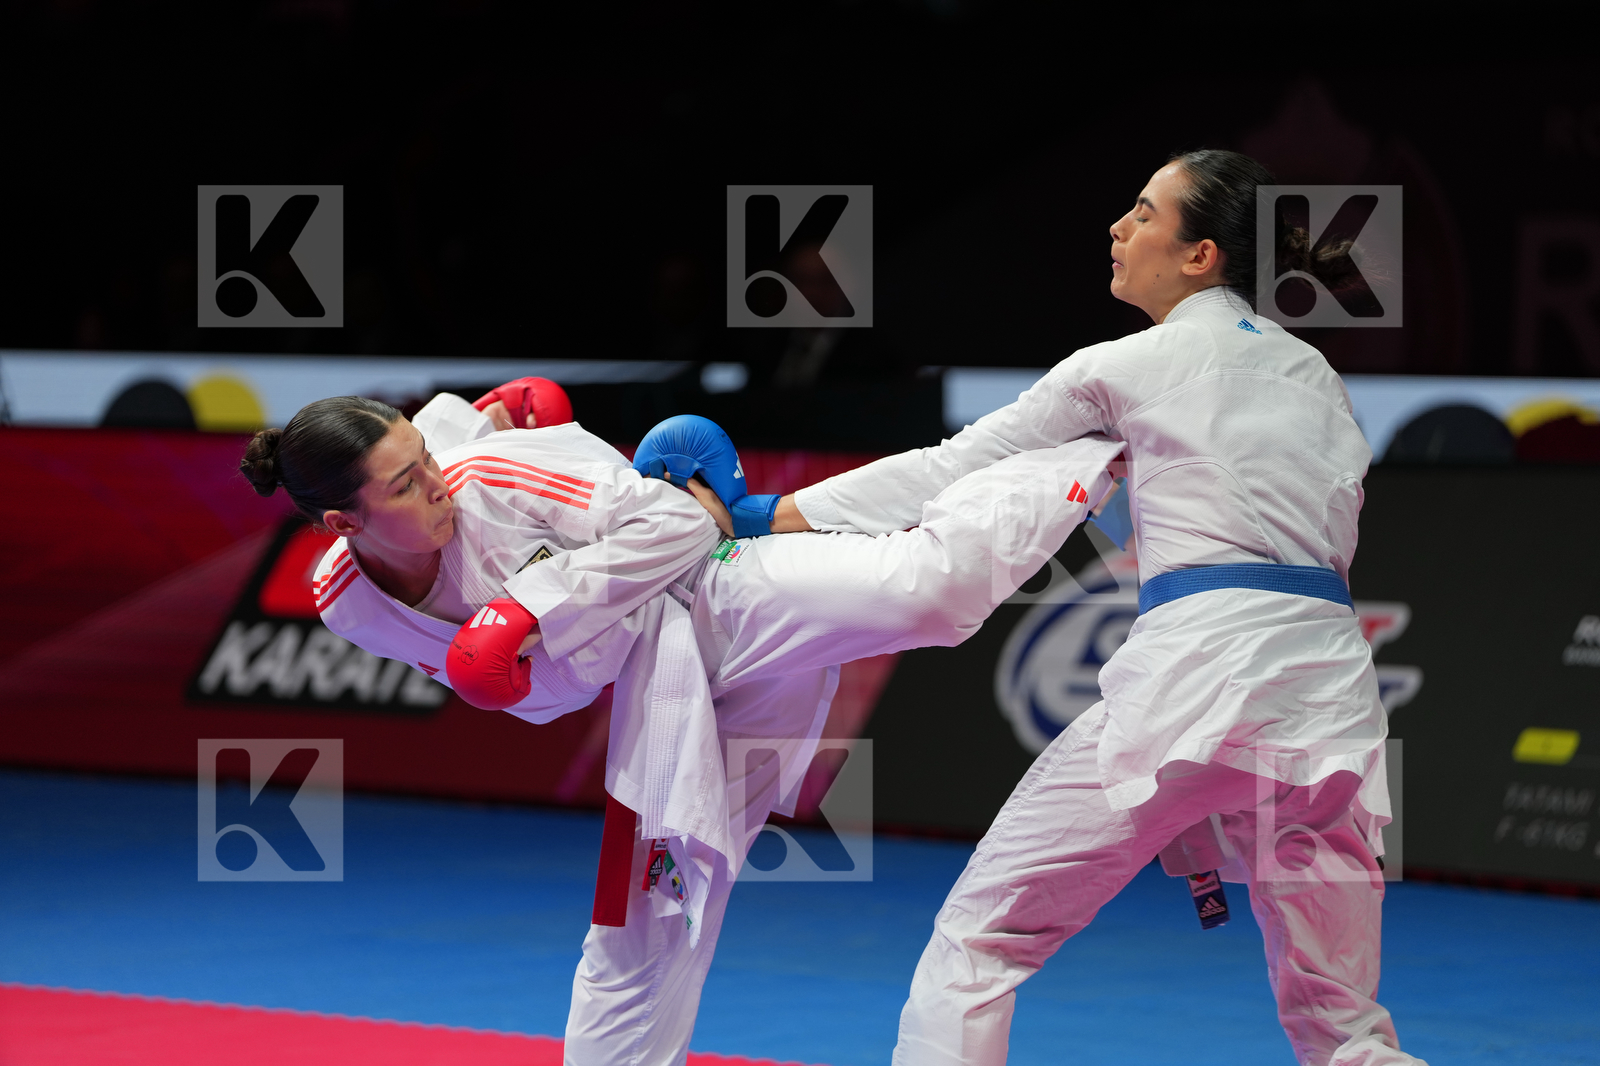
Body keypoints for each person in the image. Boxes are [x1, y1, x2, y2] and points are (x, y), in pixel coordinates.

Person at [238, 381, 1123, 1065]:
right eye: (407, 483)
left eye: (428, 457)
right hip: (662, 700)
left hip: (721, 594)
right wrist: (510, 662)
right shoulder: (347, 601)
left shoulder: (486, 477)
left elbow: (674, 524)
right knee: (646, 923)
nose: (437, 484)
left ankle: (1088, 452)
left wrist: (532, 608)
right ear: (342, 522)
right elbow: (546, 691)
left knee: (934, 595)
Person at [766, 150, 1424, 1065]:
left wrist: (770, 513)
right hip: (1329, 706)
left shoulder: (1128, 364)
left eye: (1144, 212)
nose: (1118, 227)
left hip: (1197, 674)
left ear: (1200, 256)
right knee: (1344, 1024)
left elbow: (949, 468)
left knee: (981, 941)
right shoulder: (1316, 374)